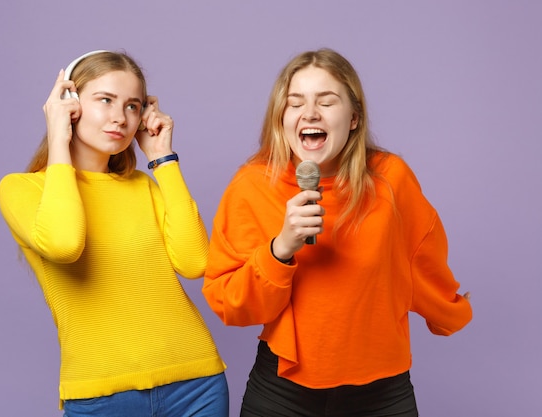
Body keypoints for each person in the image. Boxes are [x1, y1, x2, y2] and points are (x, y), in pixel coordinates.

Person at [202, 48, 472, 417]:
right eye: (295, 103)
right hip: (282, 390)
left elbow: (417, 262)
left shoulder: (391, 179)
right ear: (281, 118)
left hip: (381, 390)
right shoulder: (253, 184)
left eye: (326, 102)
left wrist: (448, 312)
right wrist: (280, 249)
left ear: (354, 118)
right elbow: (229, 302)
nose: (309, 113)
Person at [0, 50, 228, 417]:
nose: (120, 117)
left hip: (196, 383)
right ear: (69, 105)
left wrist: (163, 160)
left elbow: (196, 262)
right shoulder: (22, 189)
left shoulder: (145, 186)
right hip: (100, 395)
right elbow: (64, 244)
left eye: (133, 106)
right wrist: (58, 138)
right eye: (105, 100)